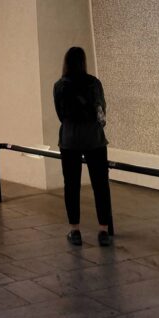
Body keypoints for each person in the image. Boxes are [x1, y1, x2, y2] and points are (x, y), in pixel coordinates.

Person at [53, 46, 113, 247]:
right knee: (100, 185)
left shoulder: (60, 86)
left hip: (70, 138)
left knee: (71, 185)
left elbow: (60, 114)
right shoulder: (94, 83)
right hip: (94, 138)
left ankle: (75, 230)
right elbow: (101, 109)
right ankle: (103, 230)